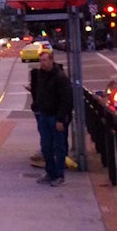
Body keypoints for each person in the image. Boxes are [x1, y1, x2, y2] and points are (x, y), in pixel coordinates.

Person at [33, 52, 73, 187]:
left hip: (56, 116)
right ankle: (50, 171)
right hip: (44, 115)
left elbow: (66, 99)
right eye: (41, 60)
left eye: (45, 60)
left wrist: (61, 119)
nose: (42, 63)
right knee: (46, 146)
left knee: (58, 146)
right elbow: (39, 92)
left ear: (51, 61)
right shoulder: (40, 76)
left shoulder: (60, 77)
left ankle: (59, 174)